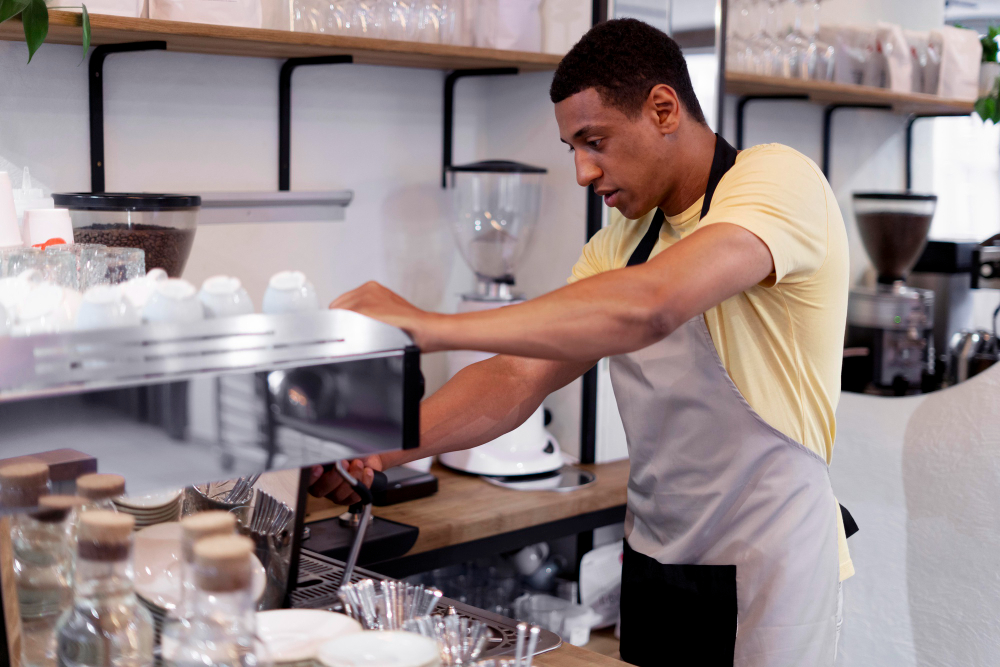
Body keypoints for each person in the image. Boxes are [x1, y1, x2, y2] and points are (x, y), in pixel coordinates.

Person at [310, 18, 852, 667]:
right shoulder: (617, 246)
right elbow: (514, 377)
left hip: (772, 565)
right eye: (572, 146)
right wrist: (384, 445)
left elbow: (654, 305)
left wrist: (429, 325)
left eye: (594, 141)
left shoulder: (775, 180)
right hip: (655, 558)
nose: (581, 171)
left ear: (662, 109)